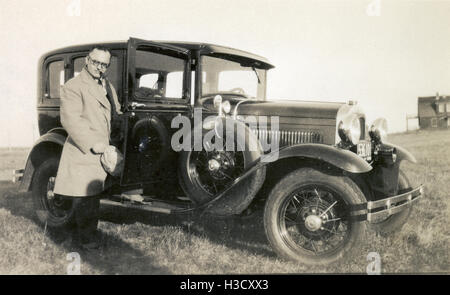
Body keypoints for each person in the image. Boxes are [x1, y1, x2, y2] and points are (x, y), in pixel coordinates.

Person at [53, 46, 122, 250]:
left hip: (102, 150)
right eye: (96, 62)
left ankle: (83, 238)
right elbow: (71, 120)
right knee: (84, 199)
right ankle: (85, 241)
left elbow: (115, 112)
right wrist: (94, 144)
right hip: (84, 151)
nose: (99, 67)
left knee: (92, 198)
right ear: (87, 60)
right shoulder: (74, 86)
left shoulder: (108, 86)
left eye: (104, 64)